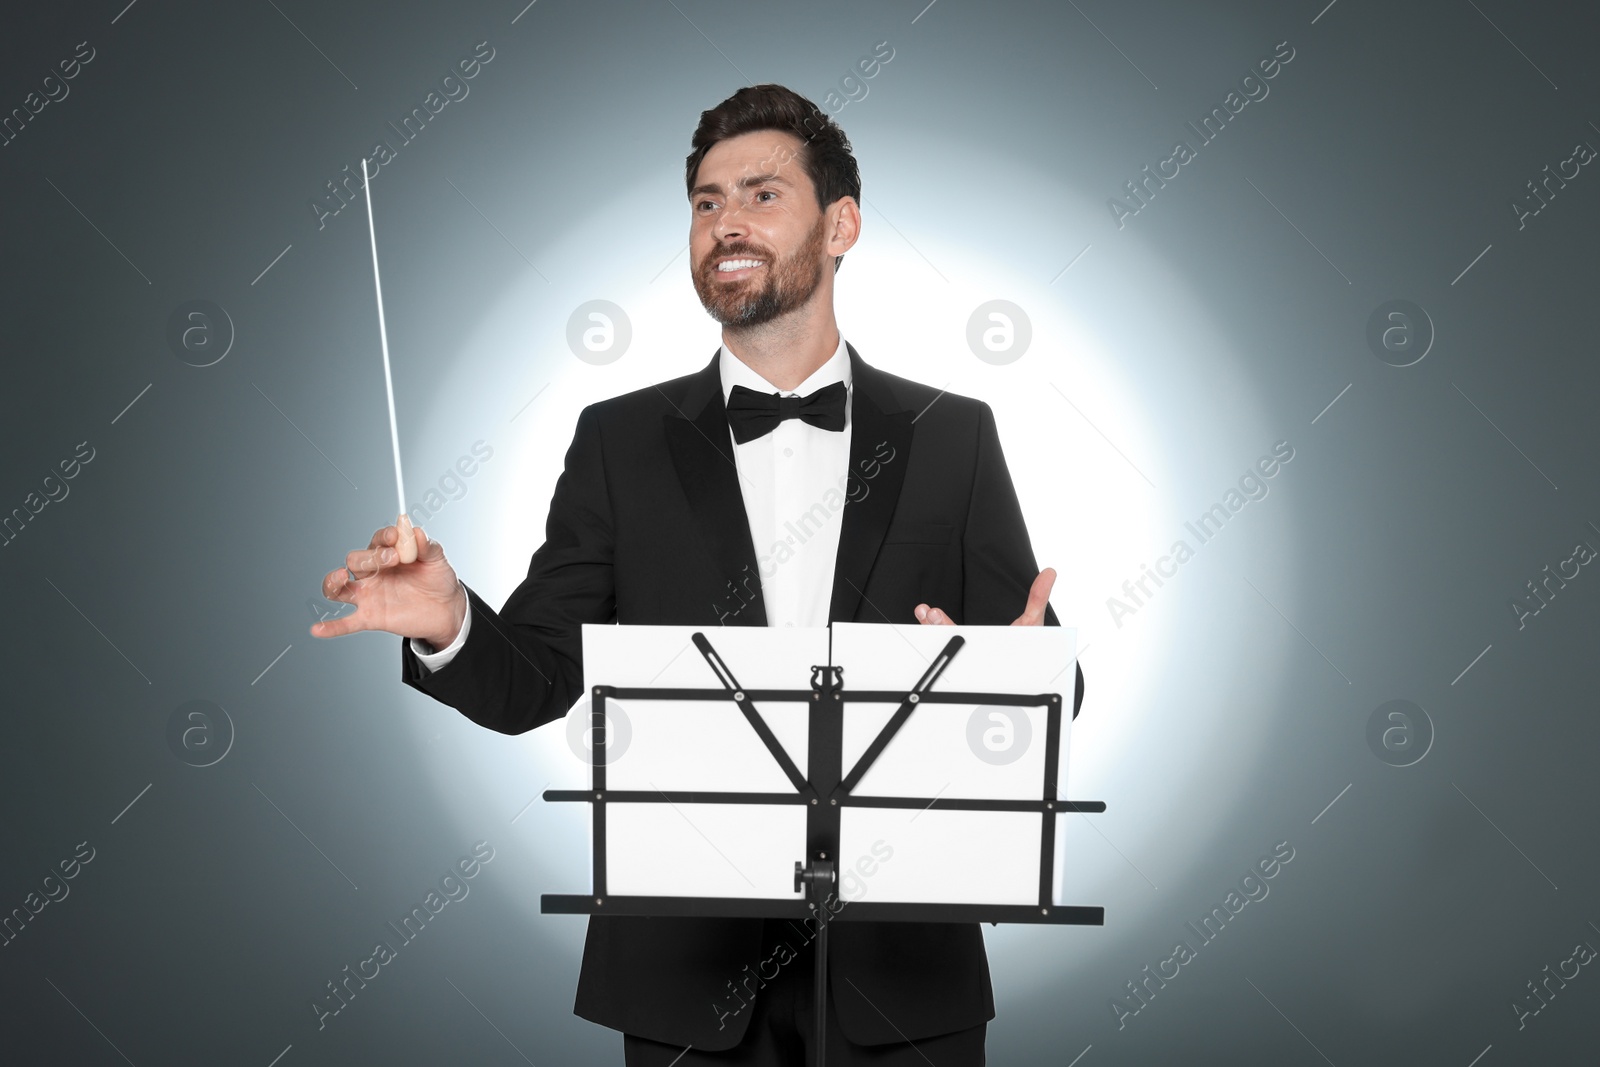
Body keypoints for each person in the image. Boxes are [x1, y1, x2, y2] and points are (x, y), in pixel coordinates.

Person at [313, 83, 1083, 1067]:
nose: (726, 223)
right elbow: (538, 677)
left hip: (903, 972)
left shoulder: (953, 434)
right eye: (706, 202)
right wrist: (450, 619)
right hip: (685, 977)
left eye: (761, 195)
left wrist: (1015, 674)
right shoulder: (618, 440)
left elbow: (1038, 659)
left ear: (840, 223)